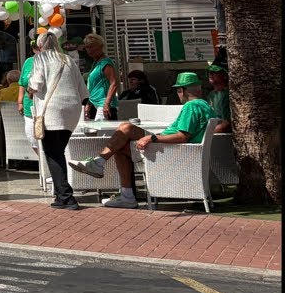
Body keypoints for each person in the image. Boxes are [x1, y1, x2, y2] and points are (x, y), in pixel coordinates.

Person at [69, 71, 215, 209]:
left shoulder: (191, 106)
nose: (177, 94)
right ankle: (123, 193)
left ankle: (101, 166)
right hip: (174, 149)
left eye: (177, 90)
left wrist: (152, 137)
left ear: (182, 90)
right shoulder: (205, 106)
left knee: (125, 128)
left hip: (168, 150)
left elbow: (182, 137)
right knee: (120, 144)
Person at [27, 31, 90, 211]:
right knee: (58, 151)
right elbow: (82, 89)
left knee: (53, 153)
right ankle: (61, 195)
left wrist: (29, 88)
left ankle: (66, 196)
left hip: (52, 110)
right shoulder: (68, 59)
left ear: (40, 46)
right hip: (72, 109)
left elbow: (36, 85)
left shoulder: (40, 59)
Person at [81, 33, 118, 121]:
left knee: (103, 133)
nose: (89, 50)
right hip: (95, 103)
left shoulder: (106, 63)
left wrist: (107, 103)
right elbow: (93, 87)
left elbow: (114, 83)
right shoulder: (96, 63)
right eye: (87, 47)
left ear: (101, 47)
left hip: (103, 104)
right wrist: (88, 104)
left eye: (92, 46)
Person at [206, 62, 231, 133]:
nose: (210, 74)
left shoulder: (228, 95)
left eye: (215, 72)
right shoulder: (211, 95)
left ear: (225, 75)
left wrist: (207, 133)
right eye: (210, 72)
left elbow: (228, 124)